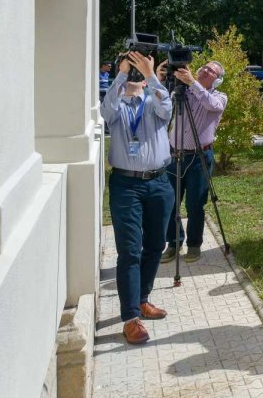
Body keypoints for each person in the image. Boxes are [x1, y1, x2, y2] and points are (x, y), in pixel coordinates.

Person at [100, 50, 174, 345]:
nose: (134, 72)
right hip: (126, 185)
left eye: (137, 69)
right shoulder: (116, 105)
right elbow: (105, 111)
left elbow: (167, 107)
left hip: (159, 182)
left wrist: (151, 75)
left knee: (156, 245)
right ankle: (130, 318)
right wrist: (120, 74)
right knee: (130, 250)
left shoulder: (155, 101)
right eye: (130, 66)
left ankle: (142, 299)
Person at [160, 60, 227, 264]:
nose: (206, 71)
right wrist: (161, 78)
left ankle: (194, 245)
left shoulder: (219, 97)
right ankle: (173, 243)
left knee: (195, 204)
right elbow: (161, 103)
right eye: (204, 67)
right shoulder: (182, 92)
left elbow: (211, 104)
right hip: (174, 155)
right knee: (170, 202)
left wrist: (192, 83)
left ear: (217, 80)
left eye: (211, 71)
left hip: (199, 157)